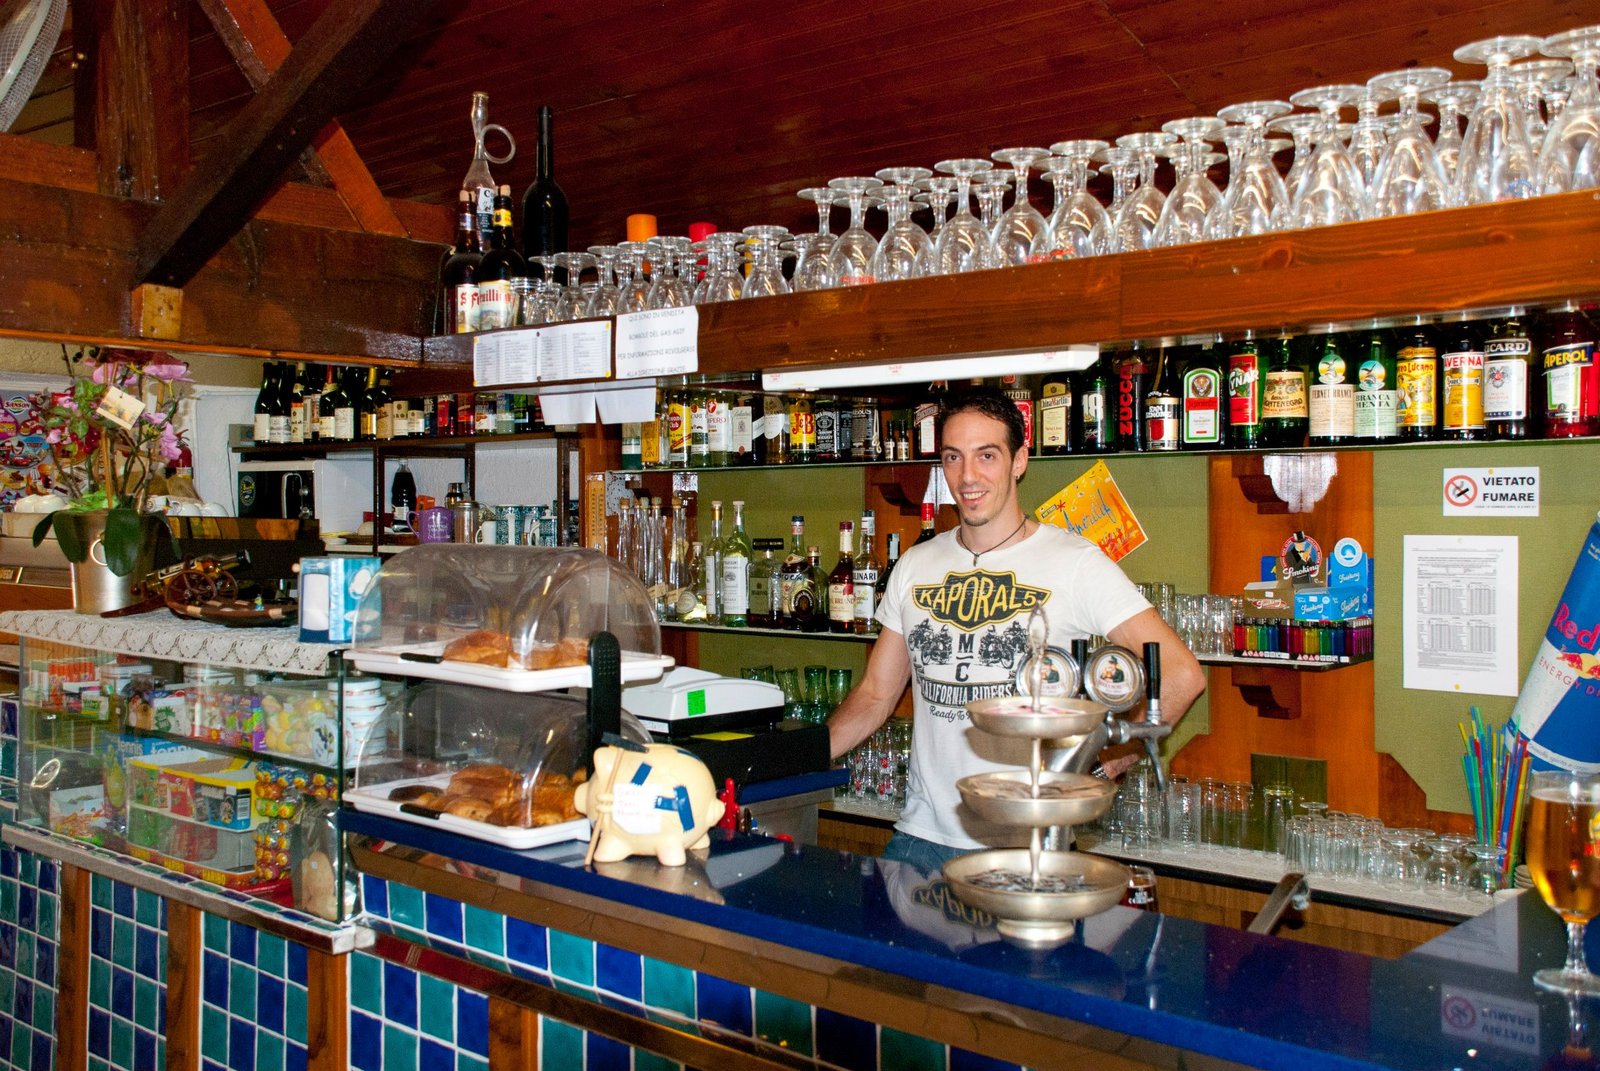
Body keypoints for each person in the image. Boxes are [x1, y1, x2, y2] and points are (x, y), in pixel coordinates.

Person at [827, 385, 1206, 872]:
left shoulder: (1074, 562)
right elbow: (876, 696)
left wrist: (1107, 759)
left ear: (1019, 460)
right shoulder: (915, 565)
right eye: (953, 457)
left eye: (986, 455)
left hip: (1028, 847)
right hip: (921, 839)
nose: (968, 476)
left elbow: (1181, 675)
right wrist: (798, 758)